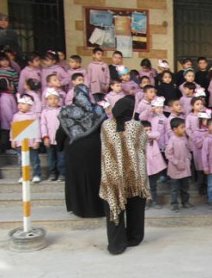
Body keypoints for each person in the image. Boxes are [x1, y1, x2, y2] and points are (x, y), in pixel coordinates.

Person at [99, 96, 150, 255]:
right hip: (135, 174)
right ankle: (134, 237)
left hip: (112, 174)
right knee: (136, 208)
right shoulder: (137, 126)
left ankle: (116, 244)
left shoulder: (106, 125)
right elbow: (143, 145)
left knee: (114, 207)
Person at [57, 84, 107, 218]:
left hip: (74, 150)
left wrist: (59, 147)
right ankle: (97, 209)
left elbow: (61, 132)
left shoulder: (66, 111)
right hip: (95, 149)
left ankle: (78, 208)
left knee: (76, 178)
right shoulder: (98, 110)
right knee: (95, 177)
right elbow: (105, 129)